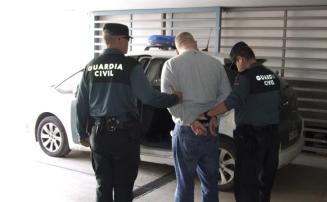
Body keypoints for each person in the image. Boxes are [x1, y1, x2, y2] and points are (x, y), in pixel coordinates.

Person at [75, 23, 182, 202]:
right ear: (118, 39)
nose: (128, 44)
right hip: (124, 136)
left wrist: (81, 133)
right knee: (124, 187)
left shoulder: (91, 66)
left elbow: (81, 103)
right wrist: (174, 98)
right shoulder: (131, 66)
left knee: (103, 185)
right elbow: (149, 97)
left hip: (99, 136)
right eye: (126, 39)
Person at [196, 42, 280, 202]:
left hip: (252, 139)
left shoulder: (245, 77)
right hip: (272, 138)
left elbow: (230, 102)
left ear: (240, 59)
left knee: (246, 185)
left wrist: (208, 113)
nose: (236, 68)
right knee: (265, 182)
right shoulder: (271, 75)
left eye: (235, 63)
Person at [161, 32, 231, 202]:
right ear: (196, 43)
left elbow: (168, 100)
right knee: (210, 185)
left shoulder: (171, 65)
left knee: (185, 185)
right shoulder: (215, 64)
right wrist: (214, 117)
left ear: (177, 49)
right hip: (210, 130)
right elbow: (226, 97)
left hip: (186, 132)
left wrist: (190, 120)